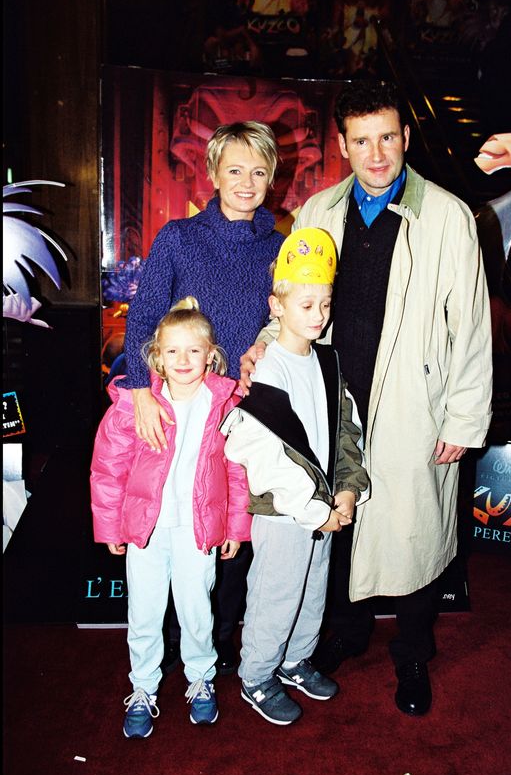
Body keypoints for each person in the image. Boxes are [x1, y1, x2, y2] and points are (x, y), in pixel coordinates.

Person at [241, 80, 493, 716]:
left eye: (387, 137)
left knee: (413, 532)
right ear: (342, 145)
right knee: (340, 528)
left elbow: (471, 326)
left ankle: (412, 655)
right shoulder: (318, 212)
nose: (376, 153)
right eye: (361, 140)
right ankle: (347, 636)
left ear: (405, 138)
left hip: (416, 402)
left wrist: (463, 417)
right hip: (331, 399)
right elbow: (293, 302)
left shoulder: (448, 216)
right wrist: (263, 348)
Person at [118, 121, 283, 677]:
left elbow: (285, 329)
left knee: (234, 530)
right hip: (180, 413)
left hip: (246, 416)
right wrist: (141, 391)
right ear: (212, 174)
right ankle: (161, 654)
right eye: (234, 169)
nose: (246, 181)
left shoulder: (280, 249)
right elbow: (143, 317)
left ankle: (217, 648)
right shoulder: (178, 238)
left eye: (259, 171)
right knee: (174, 526)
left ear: (272, 179)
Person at [220, 228, 370, 725]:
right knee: (277, 591)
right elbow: (261, 453)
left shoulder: (327, 362)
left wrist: (347, 489)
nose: (319, 316)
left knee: (313, 589)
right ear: (277, 306)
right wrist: (313, 510)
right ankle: (257, 675)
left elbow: (346, 427)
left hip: (324, 507)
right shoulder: (267, 370)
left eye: (325, 304)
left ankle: (294, 660)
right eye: (306, 305)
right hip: (286, 510)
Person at [90, 298, 252, 738]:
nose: (183, 360)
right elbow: (108, 469)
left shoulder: (223, 405)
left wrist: (236, 526)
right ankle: (143, 686)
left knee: (197, 611)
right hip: (146, 530)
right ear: (156, 357)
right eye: (173, 351)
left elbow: (237, 469)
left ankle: (201, 680)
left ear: (211, 355)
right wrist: (110, 527)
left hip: (197, 530)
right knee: (144, 611)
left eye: (193, 351)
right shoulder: (131, 406)